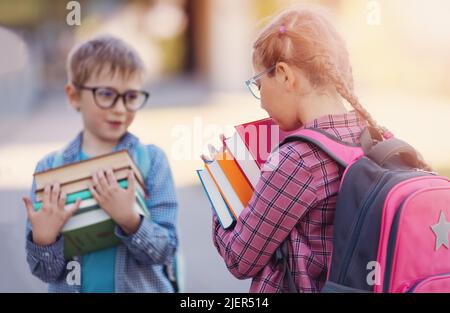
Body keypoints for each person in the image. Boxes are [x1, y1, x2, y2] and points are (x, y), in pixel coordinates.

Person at [211, 5, 430, 293]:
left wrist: (220, 196)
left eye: (258, 84)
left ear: (285, 75)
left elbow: (240, 259)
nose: (261, 101)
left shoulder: (298, 160)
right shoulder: (377, 136)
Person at [22, 35, 178, 293]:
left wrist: (130, 220)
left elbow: (165, 250)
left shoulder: (152, 161)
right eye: (106, 94)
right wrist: (44, 238)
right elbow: (45, 271)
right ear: (73, 96)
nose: (120, 108)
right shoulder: (50, 169)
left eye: (131, 96)